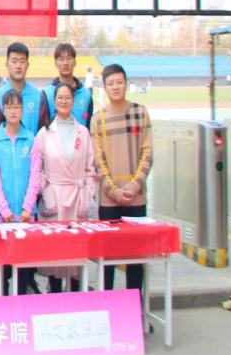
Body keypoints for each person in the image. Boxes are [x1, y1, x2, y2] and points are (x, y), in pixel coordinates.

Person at [91, 64, 153, 293]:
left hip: (136, 197)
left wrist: (135, 185)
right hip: (109, 200)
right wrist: (113, 190)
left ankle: (135, 303)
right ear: (105, 87)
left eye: (119, 82)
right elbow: (98, 160)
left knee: (136, 257)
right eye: (111, 83)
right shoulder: (98, 119)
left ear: (126, 84)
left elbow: (147, 153)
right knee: (108, 258)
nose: (115, 87)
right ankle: (108, 302)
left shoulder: (140, 112)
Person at [33, 81, 97, 292]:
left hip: (77, 198)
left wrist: (88, 194)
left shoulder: (83, 133)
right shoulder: (44, 133)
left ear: (73, 101)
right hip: (54, 199)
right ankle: (55, 294)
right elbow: (37, 168)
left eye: (67, 97)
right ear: (54, 101)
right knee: (55, 257)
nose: (63, 101)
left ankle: (77, 297)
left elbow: (90, 168)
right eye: (60, 97)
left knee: (76, 257)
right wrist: (45, 191)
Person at [0, 89, 42, 294]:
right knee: (2, 269)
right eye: (9, 107)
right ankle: (3, 303)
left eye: (17, 107)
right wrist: (4, 209)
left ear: (22, 110)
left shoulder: (31, 139)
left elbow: (35, 176)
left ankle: (22, 303)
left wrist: (28, 207)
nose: (13, 111)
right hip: (4, 217)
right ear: (3, 110)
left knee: (24, 267)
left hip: (27, 216)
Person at [0, 42, 42, 135]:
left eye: (22, 61)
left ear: (27, 65)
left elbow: (44, 134)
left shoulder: (39, 96)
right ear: (7, 64)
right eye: (14, 61)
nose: (18, 66)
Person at [38, 42, 94, 128]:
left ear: (75, 62)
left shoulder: (86, 95)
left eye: (69, 58)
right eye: (61, 59)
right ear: (55, 63)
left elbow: (89, 126)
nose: (65, 63)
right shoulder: (47, 93)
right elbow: (42, 127)